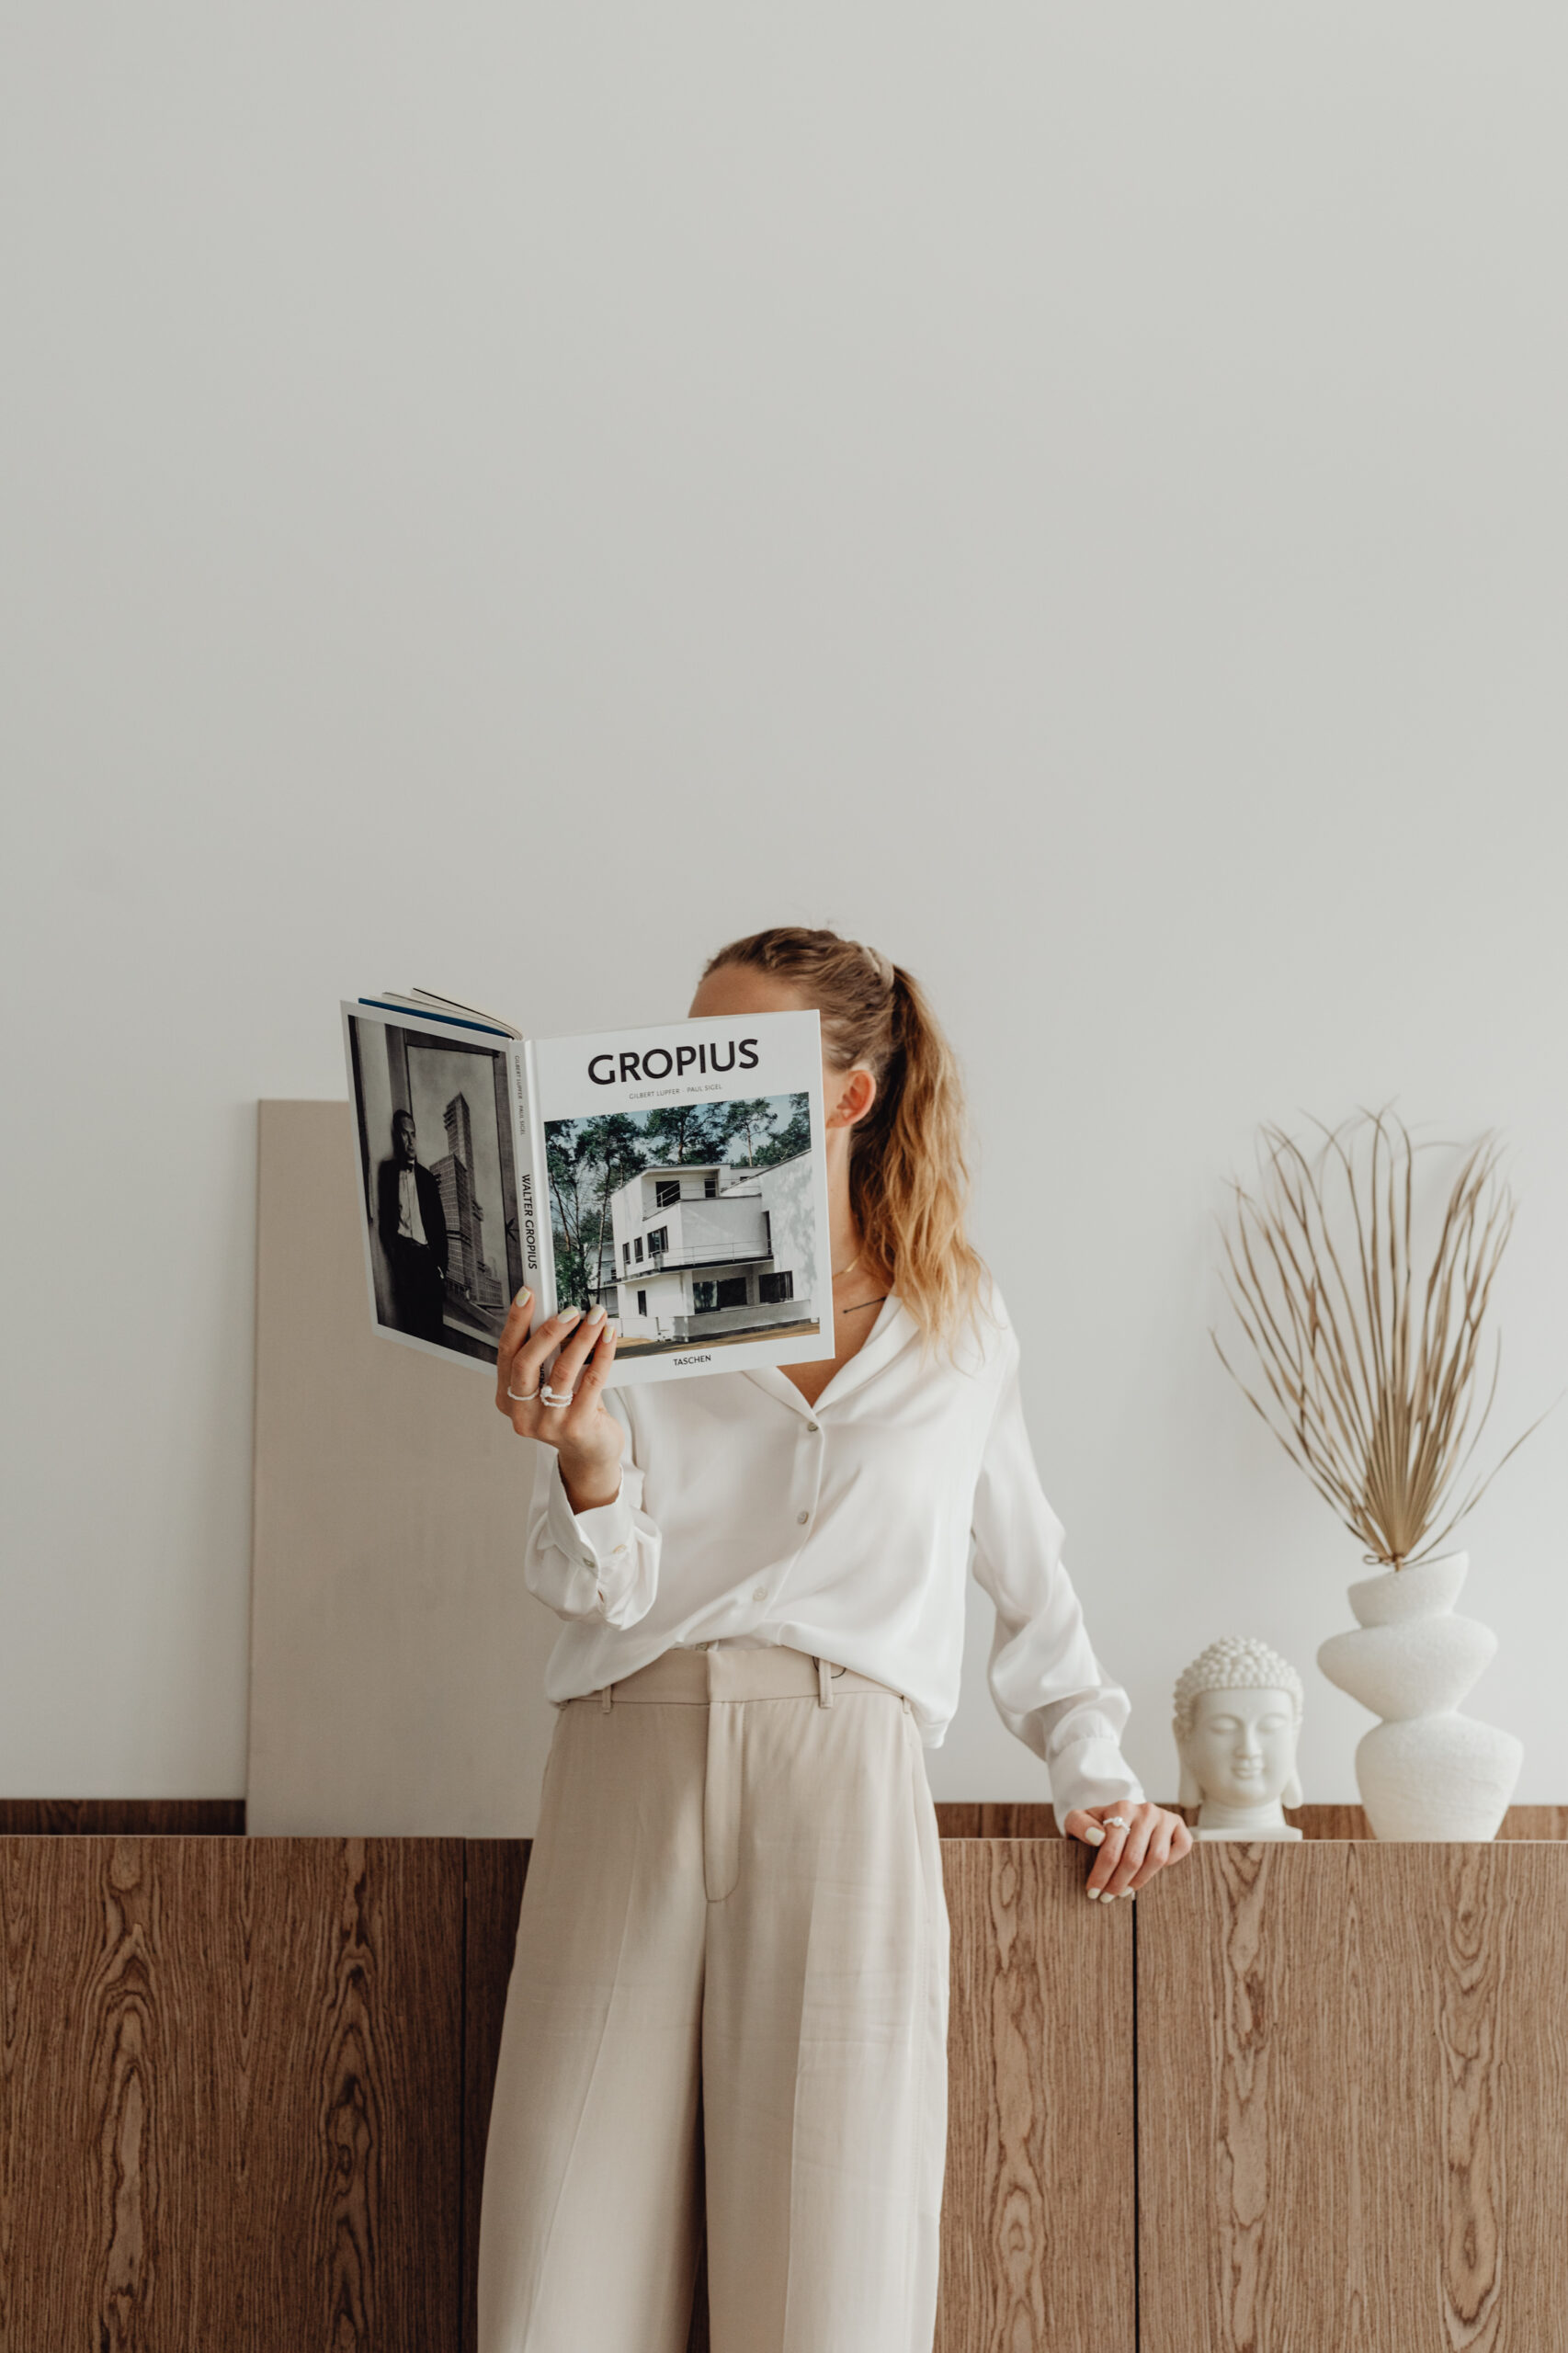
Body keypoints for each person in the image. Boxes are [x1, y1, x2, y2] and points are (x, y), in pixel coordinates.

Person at [476, 926, 1192, 2353]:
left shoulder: (954, 1320)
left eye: (727, 1053)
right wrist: (588, 1456)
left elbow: (1024, 1569)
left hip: (847, 1772)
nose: (684, 1079)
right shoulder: (620, 1292)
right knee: (560, 2270)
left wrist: (1093, 1769)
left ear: (846, 1096)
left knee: (833, 2276)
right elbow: (596, 1588)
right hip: (630, 1755)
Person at [375, 1108, 449, 1343]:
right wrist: (396, 1259)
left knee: (435, 1333)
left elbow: (439, 1226)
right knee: (412, 1332)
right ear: (397, 1136)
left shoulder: (427, 1179)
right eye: (404, 1134)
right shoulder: (386, 1172)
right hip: (405, 1261)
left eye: (413, 1133)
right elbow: (385, 1221)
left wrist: (441, 1269)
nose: (410, 1140)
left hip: (428, 1262)